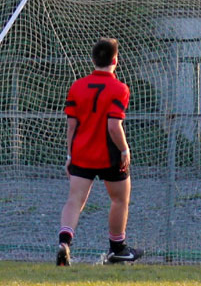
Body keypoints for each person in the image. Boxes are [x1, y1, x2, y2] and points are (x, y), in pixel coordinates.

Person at [56, 38, 144, 266]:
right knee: (119, 199)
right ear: (115, 60)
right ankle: (117, 248)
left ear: (93, 59)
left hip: (82, 153)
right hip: (108, 155)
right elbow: (113, 126)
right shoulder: (120, 88)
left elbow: (71, 125)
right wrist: (124, 150)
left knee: (74, 200)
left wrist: (69, 155)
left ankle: (64, 243)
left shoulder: (77, 86)